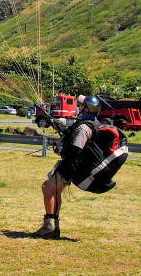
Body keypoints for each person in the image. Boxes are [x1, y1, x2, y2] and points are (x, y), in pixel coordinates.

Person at [34, 94, 101, 238]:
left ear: (86, 108)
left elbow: (76, 149)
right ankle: (53, 226)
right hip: (75, 166)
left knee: (48, 187)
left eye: (81, 105)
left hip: (72, 166)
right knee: (55, 191)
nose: (78, 107)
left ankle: (49, 226)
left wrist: (62, 151)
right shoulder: (91, 124)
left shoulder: (83, 128)